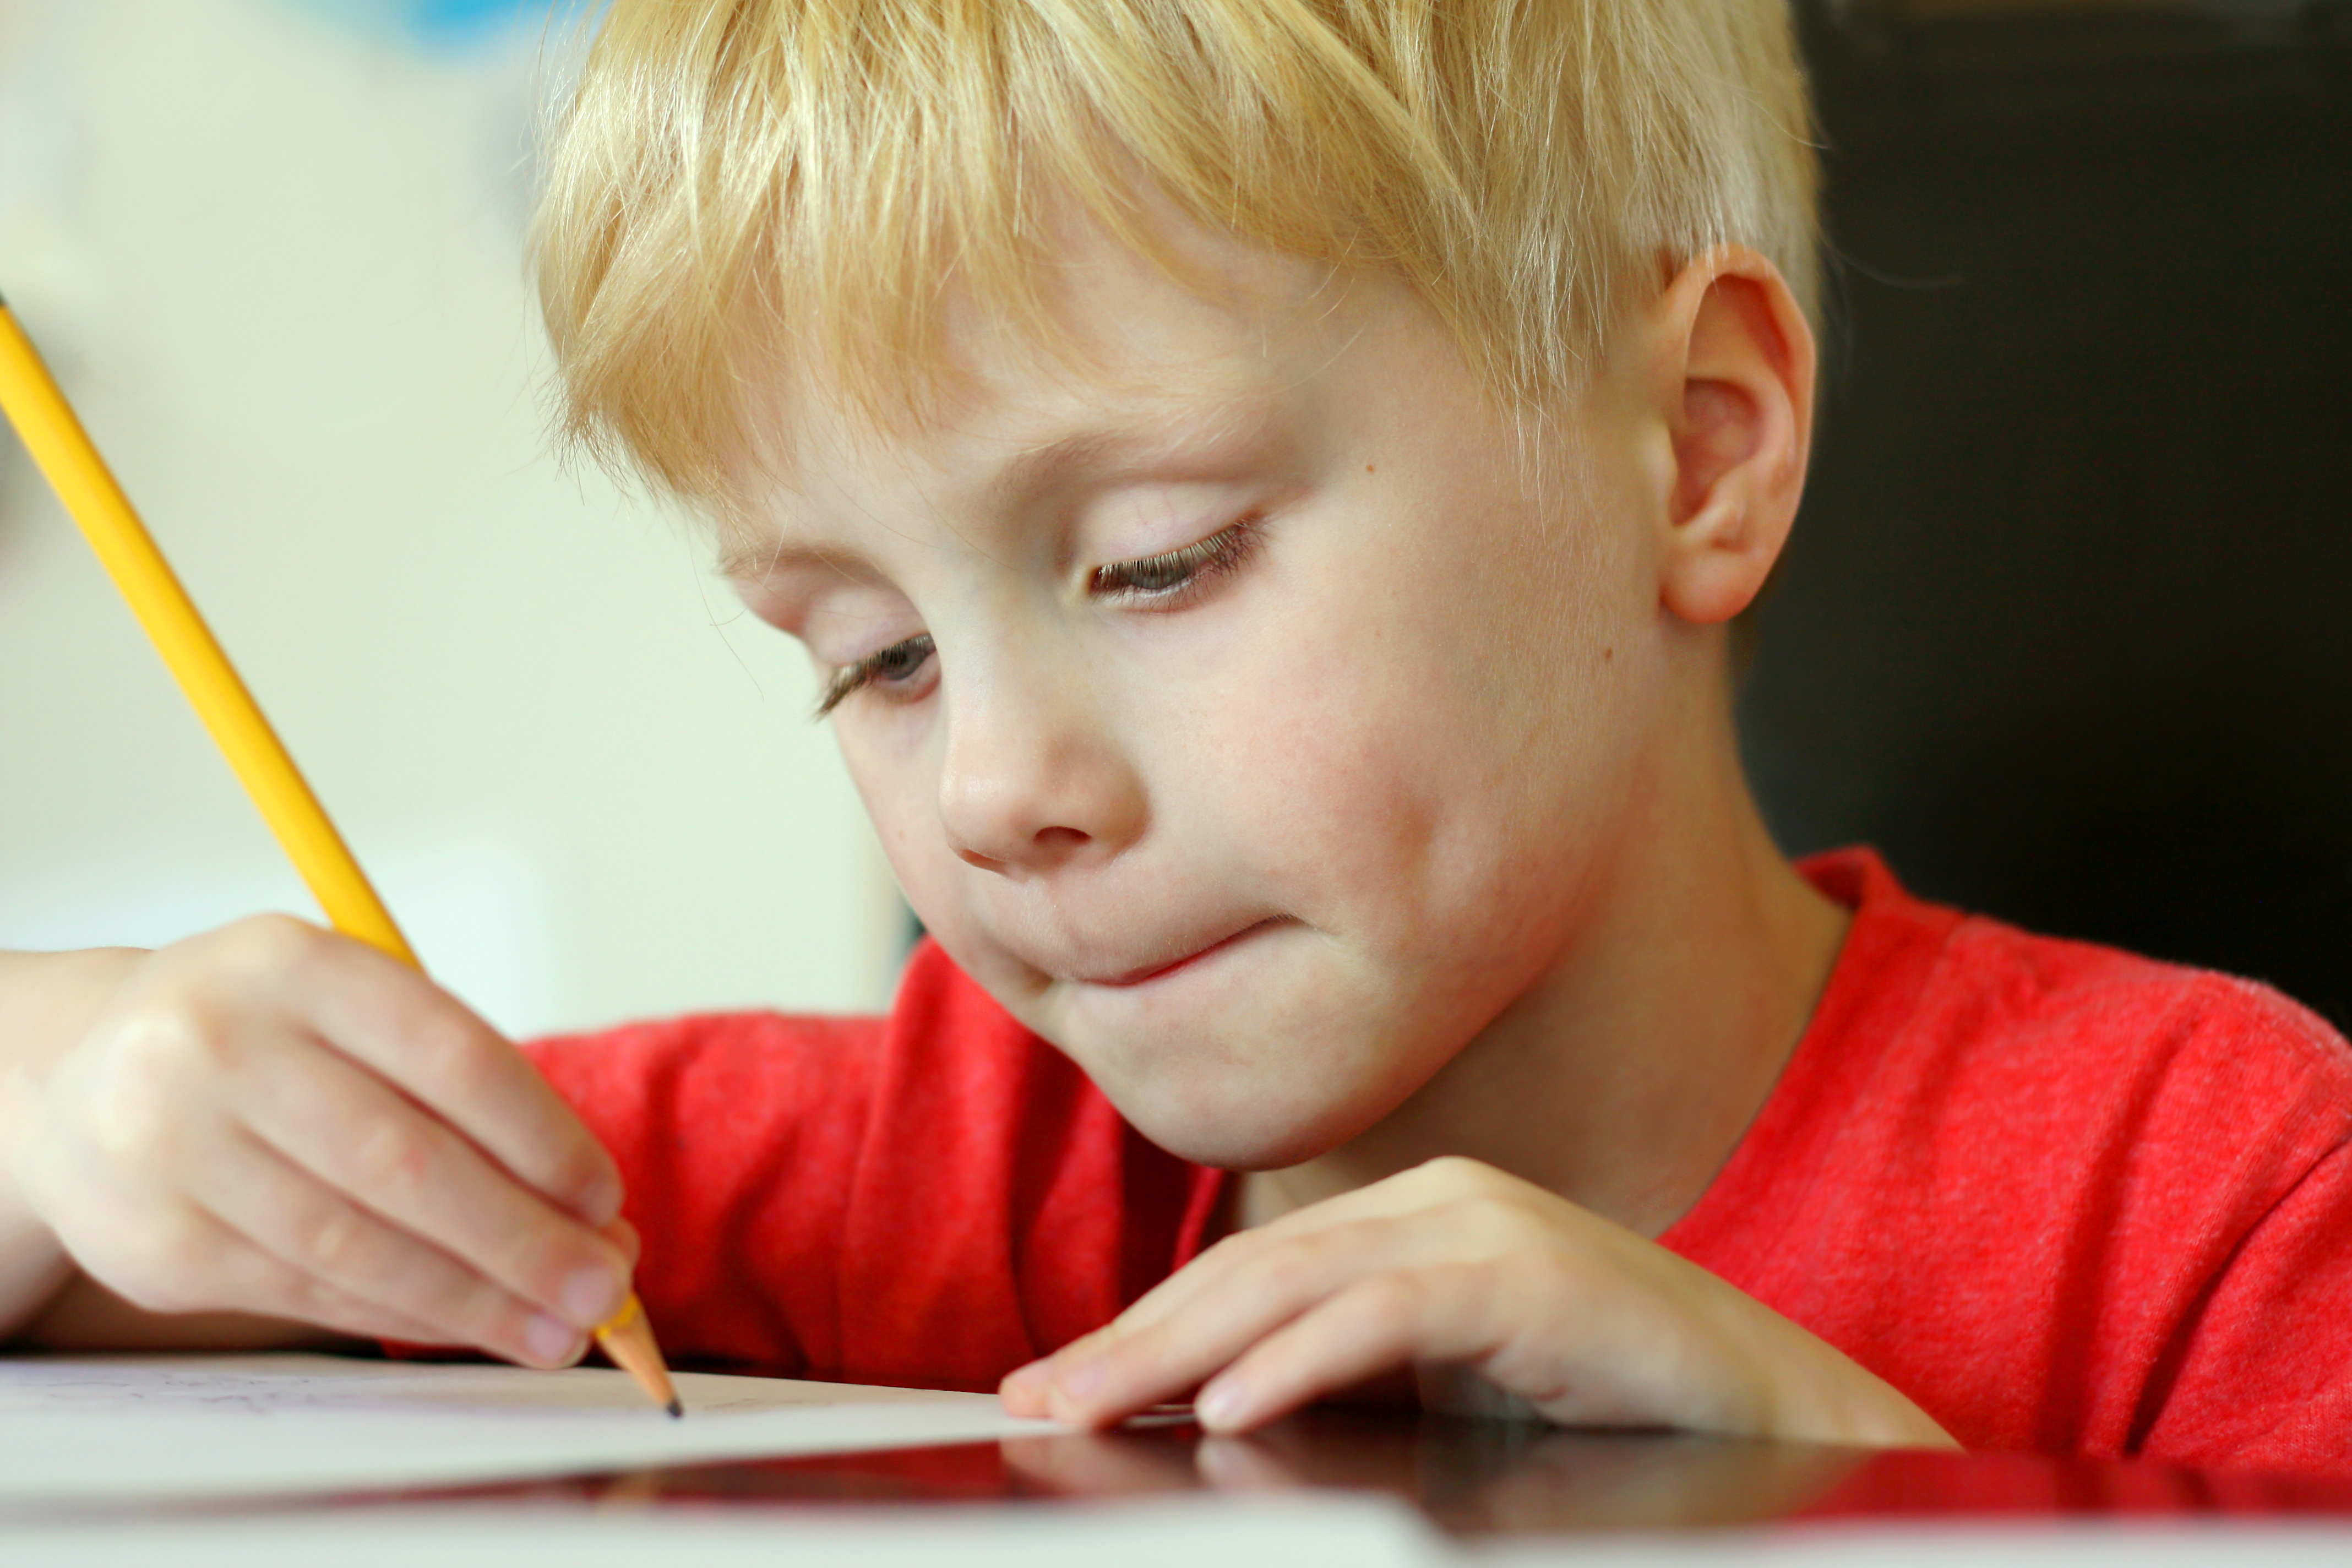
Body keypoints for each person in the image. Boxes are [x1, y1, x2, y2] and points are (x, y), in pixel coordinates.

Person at [3, 0, 2348, 1473]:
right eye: (869, 658)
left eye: (1153, 562)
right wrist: (83, 1092)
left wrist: (1851, 1498)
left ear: (1696, 451)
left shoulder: (2235, 1208)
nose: (994, 790)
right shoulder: (908, 1179)